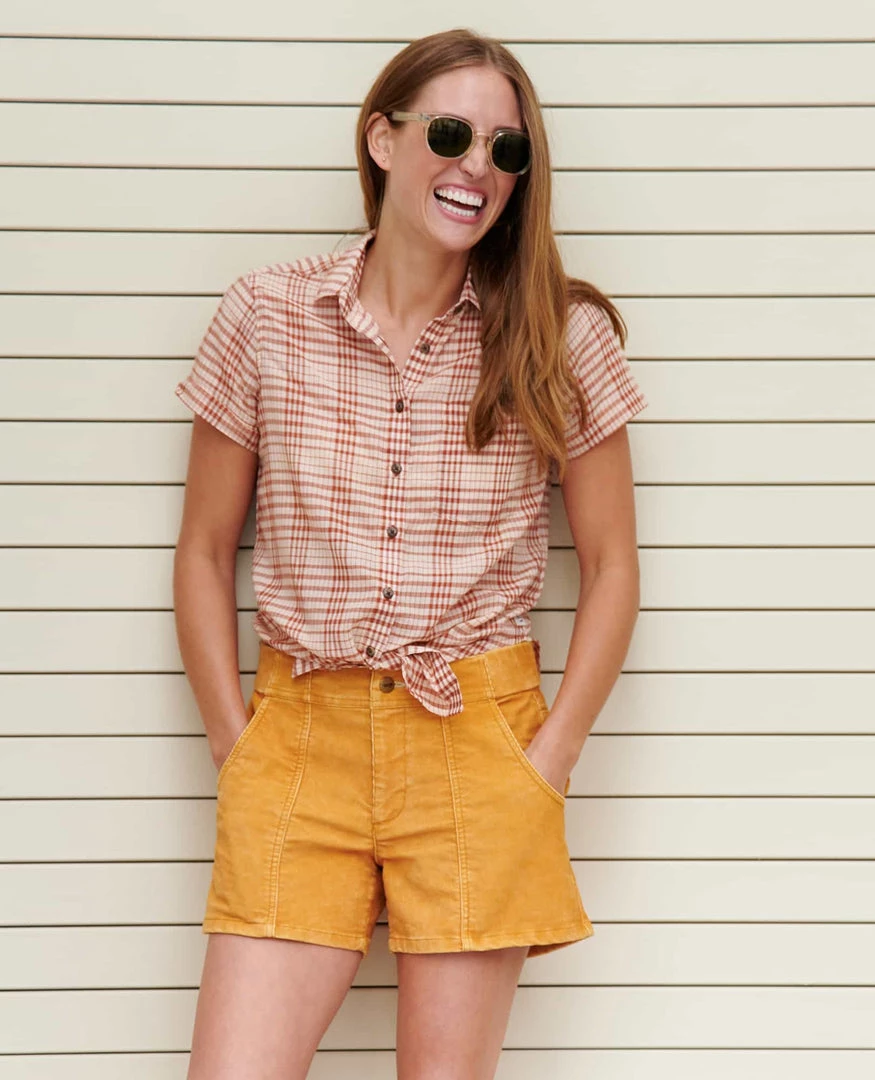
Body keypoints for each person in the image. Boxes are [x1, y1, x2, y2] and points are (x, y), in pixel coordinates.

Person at [173, 26, 648, 1080]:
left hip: (478, 744)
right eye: (449, 134)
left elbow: (612, 566)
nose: (477, 166)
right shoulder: (265, 314)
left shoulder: (558, 335)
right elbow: (204, 550)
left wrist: (549, 759)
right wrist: (235, 744)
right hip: (299, 741)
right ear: (381, 139)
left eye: (505, 149)